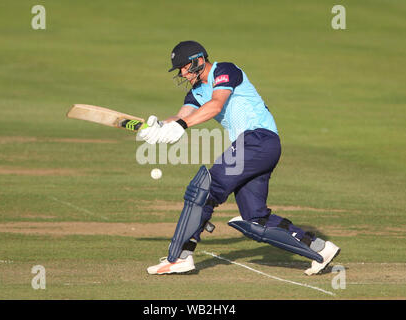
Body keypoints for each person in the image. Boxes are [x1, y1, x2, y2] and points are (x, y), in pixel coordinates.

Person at [138, 41, 340, 276]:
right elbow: (182, 116)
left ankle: (181, 256)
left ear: (199, 60)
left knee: (204, 190)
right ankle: (320, 248)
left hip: (258, 140)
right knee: (255, 219)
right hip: (257, 148)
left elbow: (215, 105)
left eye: (184, 67)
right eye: (179, 70)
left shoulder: (225, 71)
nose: (182, 73)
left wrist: (181, 125)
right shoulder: (195, 92)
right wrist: (159, 127)